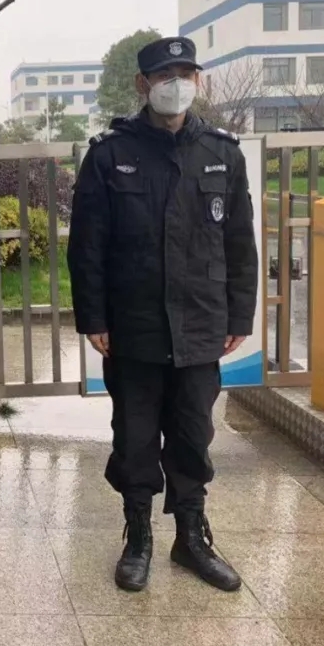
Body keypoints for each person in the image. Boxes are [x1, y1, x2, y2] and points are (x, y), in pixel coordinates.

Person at [67, 36, 258, 594]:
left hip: (200, 322)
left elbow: (240, 243)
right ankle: (139, 537)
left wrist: (239, 316)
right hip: (135, 325)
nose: (176, 84)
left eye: (185, 73)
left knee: (194, 435)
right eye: (164, 74)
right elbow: (87, 247)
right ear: (142, 84)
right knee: (135, 436)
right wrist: (94, 318)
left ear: (198, 80)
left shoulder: (223, 153)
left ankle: (192, 538)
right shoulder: (110, 154)